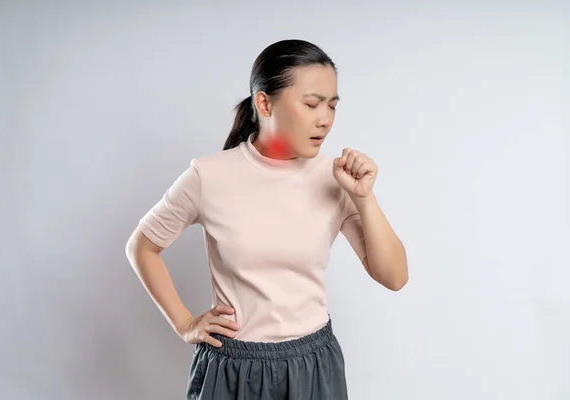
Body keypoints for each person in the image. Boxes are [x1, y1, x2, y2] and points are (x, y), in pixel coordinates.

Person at [125, 39, 408, 400]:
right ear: (264, 103)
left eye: (332, 106)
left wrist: (364, 198)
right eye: (311, 104)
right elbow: (143, 246)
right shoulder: (209, 176)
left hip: (312, 365)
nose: (324, 119)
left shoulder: (335, 178)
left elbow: (395, 277)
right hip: (232, 367)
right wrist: (185, 324)